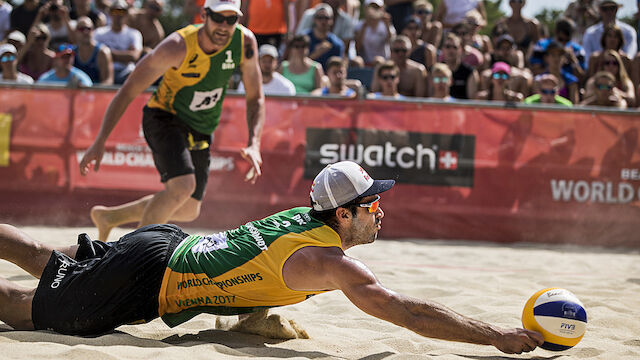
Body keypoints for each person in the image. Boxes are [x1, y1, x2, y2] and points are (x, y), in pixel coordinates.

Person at [0, 160, 544, 355]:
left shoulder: (302, 217)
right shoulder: (333, 263)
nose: (382, 212)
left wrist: (253, 318)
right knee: (23, 308)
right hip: (152, 277)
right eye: (373, 203)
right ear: (343, 216)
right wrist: (493, 335)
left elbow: (251, 272)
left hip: (164, 242)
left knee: (43, 256)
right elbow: (409, 315)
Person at [78, 0, 265, 242]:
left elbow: (256, 98)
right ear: (204, 15)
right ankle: (131, 258)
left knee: (188, 208)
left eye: (231, 19)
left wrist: (254, 144)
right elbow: (129, 89)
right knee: (182, 187)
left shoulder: (245, 42)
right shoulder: (177, 46)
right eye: (218, 18)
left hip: (201, 127)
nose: (224, 26)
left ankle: (110, 218)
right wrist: (100, 140)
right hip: (164, 116)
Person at [94, 0, 143, 85]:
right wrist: (125, 55)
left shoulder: (134, 34)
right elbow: (93, 53)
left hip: (125, 74)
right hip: (102, 72)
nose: (118, 14)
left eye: (122, 11)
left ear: (127, 14)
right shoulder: (99, 33)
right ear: (109, 13)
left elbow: (134, 56)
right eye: (115, 11)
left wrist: (106, 54)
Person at [582, 0, 637, 64]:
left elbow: (630, 58)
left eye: (612, 8)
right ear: (599, 10)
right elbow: (588, 61)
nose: (609, 12)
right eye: (605, 9)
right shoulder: (590, 33)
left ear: (616, 9)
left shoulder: (629, 31)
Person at [302, 4, 345, 70]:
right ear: (314, 19)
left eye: (326, 18)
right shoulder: (303, 40)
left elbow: (337, 69)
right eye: (320, 17)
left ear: (332, 20)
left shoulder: (337, 44)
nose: (323, 21)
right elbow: (297, 66)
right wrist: (315, 54)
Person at [73, 16, 114, 85]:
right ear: (75, 32)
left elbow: (108, 81)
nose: (85, 32)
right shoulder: (71, 53)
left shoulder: (102, 53)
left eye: (89, 29)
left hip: (97, 93)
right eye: (81, 29)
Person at [354, 0, 395, 67]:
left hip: (382, 61)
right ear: (365, 9)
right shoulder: (359, 26)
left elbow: (391, 43)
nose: (374, 10)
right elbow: (357, 48)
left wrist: (387, 25)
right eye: (371, 7)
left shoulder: (386, 25)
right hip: (365, 62)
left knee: (378, 61)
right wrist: (364, 28)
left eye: (376, 7)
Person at [441, 32, 478, 100]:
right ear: (442, 49)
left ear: (460, 50)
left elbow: (472, 100)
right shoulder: (436, 70)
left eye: (455, 47)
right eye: (448, 46)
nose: (451, 50)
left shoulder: (469, 72)